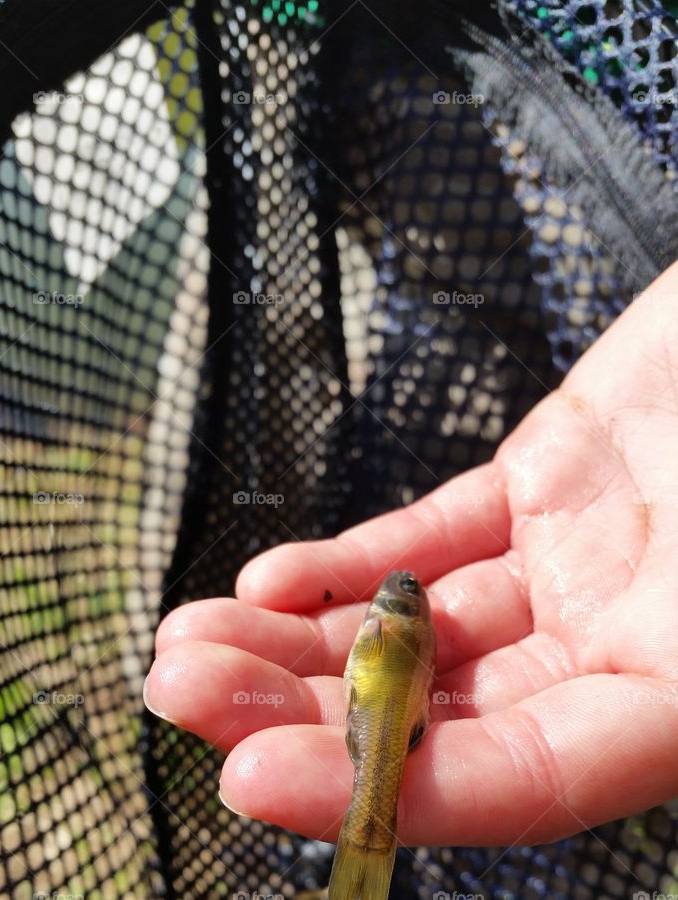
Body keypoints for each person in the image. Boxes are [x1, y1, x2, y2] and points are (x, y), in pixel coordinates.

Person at [144, 260, 678, 852]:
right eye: (405, 592)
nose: (397, 590)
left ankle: (368, 832)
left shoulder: (395, 631)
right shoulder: (407, 635)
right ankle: (369, 836)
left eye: (401, 593)